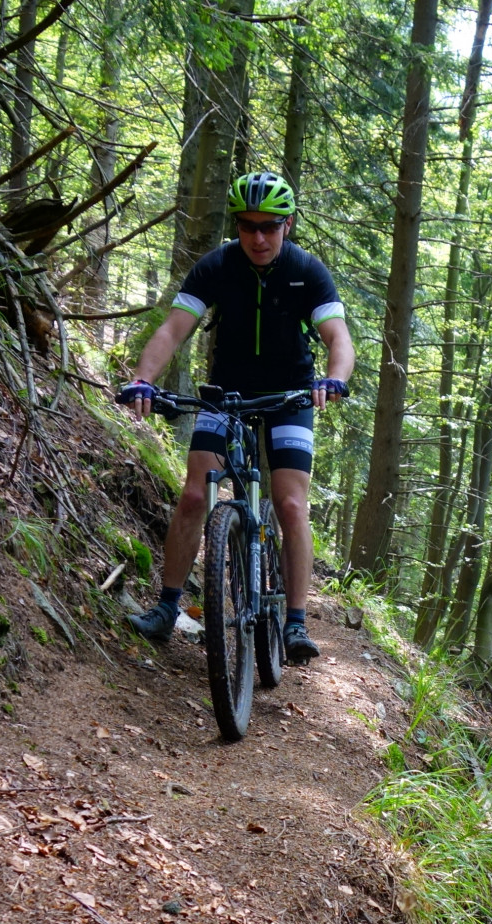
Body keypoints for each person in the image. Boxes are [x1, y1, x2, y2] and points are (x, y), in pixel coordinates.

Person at [116, 171, 355, 662]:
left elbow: (338, 337)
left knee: (291, 505)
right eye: (247, 226)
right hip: (225, 392)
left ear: (287, 225)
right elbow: (173, 330)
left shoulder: (307, 271)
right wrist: (143, 379)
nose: (258, 237)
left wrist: (333, 379)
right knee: (193, 494)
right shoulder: (217, 266)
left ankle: (295, 622)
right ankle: (167, 607)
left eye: (269, 226)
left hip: (291, 395)